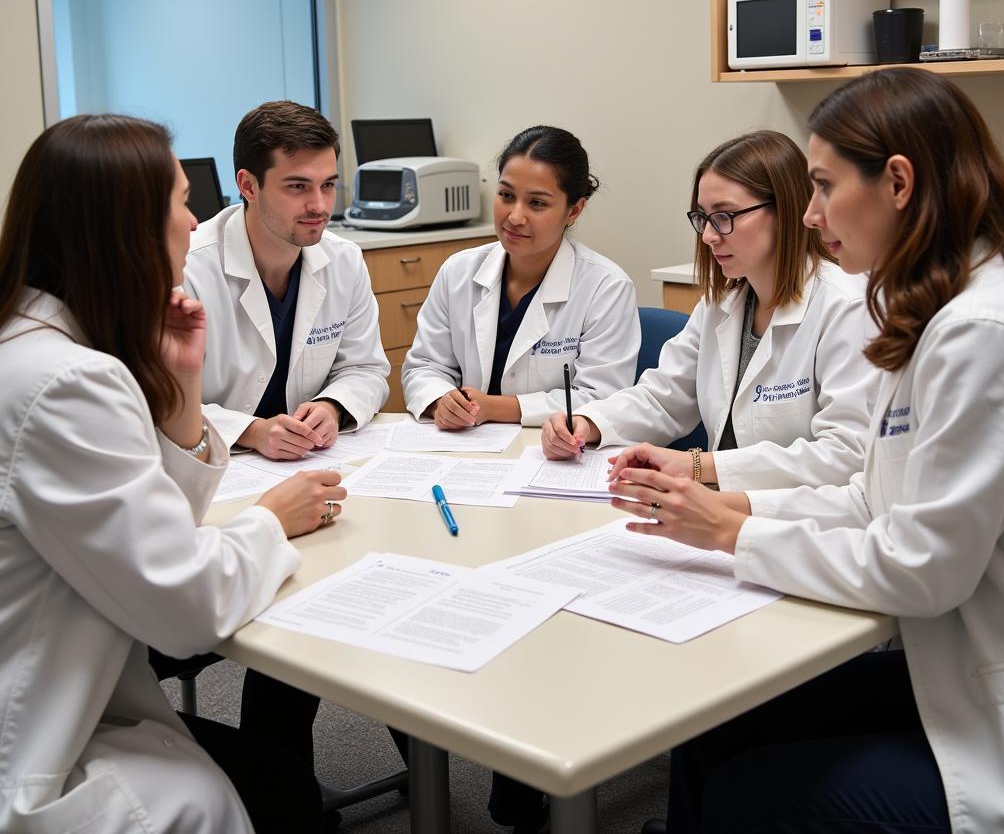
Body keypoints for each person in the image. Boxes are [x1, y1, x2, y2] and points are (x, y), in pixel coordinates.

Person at [611, 68, 1004, 834]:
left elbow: (922, 566)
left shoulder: (983, 329)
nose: (812, 212)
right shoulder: (940, 306)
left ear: (897, 181)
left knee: (751, 794)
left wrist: (734, 531)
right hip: (951, 659)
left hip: (996, 701)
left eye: (826, 186)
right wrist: (725, 509)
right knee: (711, 726)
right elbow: (873, 493)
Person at [0, 114, 346, 834]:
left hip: (65, 681)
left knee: (279, 784)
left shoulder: (34, 343)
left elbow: (153, 528)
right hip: (37, 733)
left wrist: (182, 388)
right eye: (181, 202)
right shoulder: (66, 381)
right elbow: (184, 610)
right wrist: (270, 518)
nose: (194, 221)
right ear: (124, 229)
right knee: (283, 796)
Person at [182, 100, 391, 767]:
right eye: (297, 186)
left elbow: (367, 367)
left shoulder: (342, 260)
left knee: (373, 589)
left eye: (330, 185)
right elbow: (157, 397)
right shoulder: (191, 263)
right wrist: (248, 430)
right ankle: (285, 794)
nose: (319, 205)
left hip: (319, 478)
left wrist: (333, 405)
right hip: (223, 492)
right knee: (291, 615)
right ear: (248, 185)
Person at [542, 129, 878, 495]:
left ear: (785, 210)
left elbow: (846, 453)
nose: (708, 236)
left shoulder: (845, 306)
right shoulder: (723, 304)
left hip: (803, 524)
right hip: (721, 511)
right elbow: (664, 397)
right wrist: (588, 423)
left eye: (725, 216)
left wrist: (700, 465)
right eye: (703, 218)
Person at [402, 124, 640, 432]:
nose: (515, 216)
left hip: (551, 453)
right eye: (506, 195)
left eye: (537, 203)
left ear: (574, 210)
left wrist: (494, 408)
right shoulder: (458, 271)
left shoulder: (606, 287)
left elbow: (603, 398)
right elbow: (423, 367)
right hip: (467, 444)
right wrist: (441, 400)